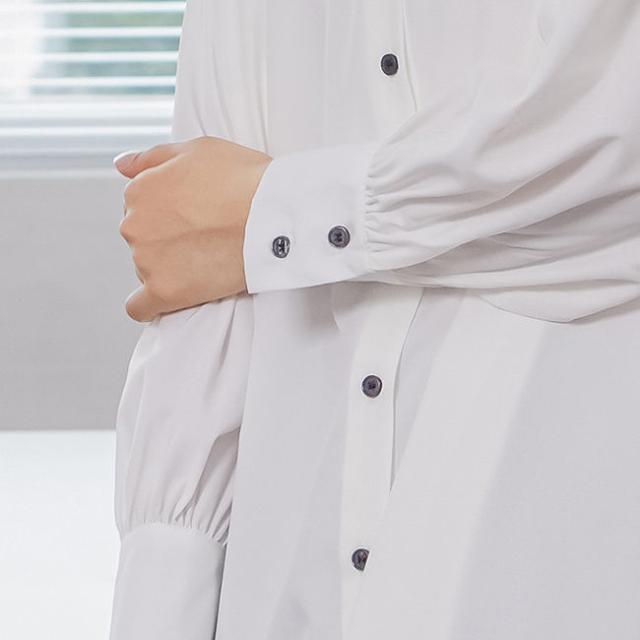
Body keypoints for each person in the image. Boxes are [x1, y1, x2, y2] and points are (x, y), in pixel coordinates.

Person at [108, 1, 640, 639]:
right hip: (284, 585)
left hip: (566, 571)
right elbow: (201, 275)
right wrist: (158, 610)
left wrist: (274, 213)